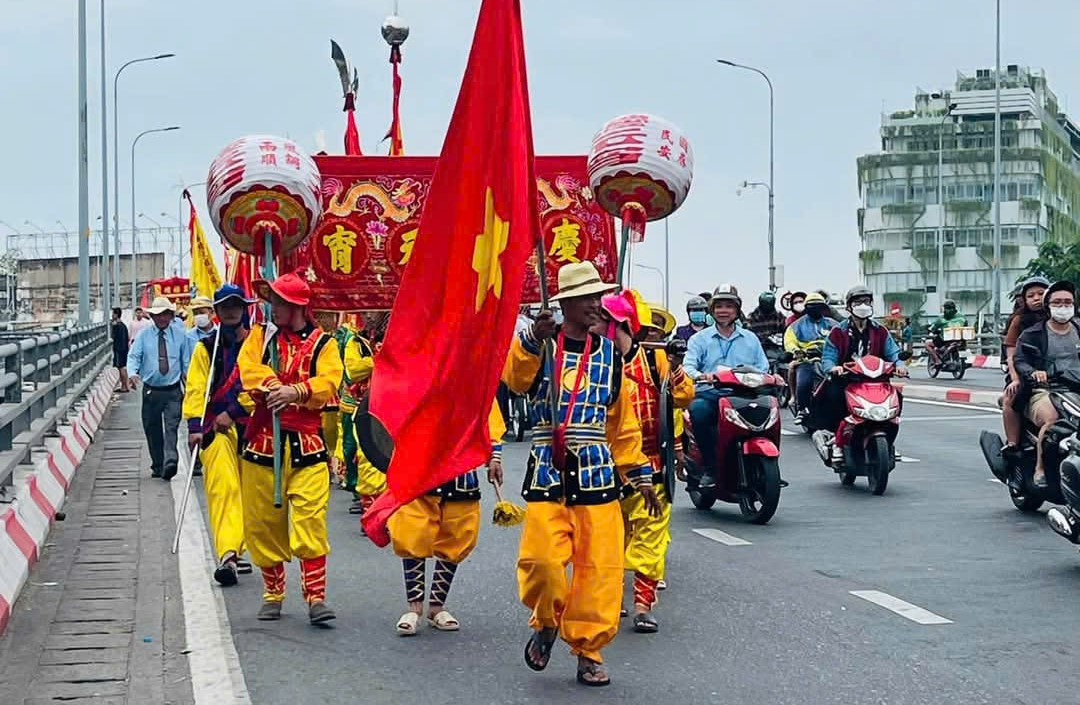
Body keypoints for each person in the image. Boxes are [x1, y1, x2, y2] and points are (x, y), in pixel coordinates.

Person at [502, 261, 657, 688]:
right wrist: (532, 339)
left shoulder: (609, 354)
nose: (595, 304)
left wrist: (639, 472)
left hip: (597, 476)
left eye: (597, 296)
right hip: (548, 475)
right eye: (587, 298)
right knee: (541, 563)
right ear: (566, 303)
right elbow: (514, 381)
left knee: (599, 571)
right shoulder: (539, 345)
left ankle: (588, 650)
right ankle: (546, 620)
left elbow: (621, 423)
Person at [237, 272, 343, 625]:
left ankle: (316, 597)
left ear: (298, 306)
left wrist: (296, 391)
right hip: (264, 445)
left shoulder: (324, 344)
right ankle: (273, 593)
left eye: (280, 302)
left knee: (310, 519)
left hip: (307, 447)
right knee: (264, 523)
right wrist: (271, 385)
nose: (274, 308)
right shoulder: (261, 336)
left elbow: (330, 381)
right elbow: (247, 368)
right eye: (272, 301)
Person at [596, 291, 693, 634]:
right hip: (606, 466)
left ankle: (642, 606)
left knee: (650, 538)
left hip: (651, 464)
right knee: (610, 538)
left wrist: (676, 368)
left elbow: (684, 397)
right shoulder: (594, 363)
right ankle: (612, 597)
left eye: (599, 322)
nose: (592, 328)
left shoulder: (655, 360)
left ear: (618, 325)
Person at [390, 402, 505, 636]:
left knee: (458, 533)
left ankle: (436, 607)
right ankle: (414, 608)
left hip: (461, 465)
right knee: (412, 529)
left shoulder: (474, 381)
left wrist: (494, 456)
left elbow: (488, 411)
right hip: (421, 460)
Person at [182, 284, 254, 586]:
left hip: (253, 427)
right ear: (218, 312)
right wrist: (194, 426)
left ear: (244, 308)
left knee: (250, 496)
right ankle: (228, 555)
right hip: (216, 429)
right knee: (223, 489)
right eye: (225, 306)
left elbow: (262, 386)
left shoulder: (258, 345)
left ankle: (238, 546)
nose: (231, 311)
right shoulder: (205, 348)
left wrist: (235, 411)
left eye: (236, 305)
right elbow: (196, 387)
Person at [684, 285, 769, 490]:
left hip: (745, 393)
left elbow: (763, 366)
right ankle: (710, 469)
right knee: (699, 411)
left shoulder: (750, 338)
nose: (724, 311)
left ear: (737, 310)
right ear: (712, 310)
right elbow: (688, 366)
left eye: (729, 306)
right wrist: (701, 376)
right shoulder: (699, 339)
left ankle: (763, 465)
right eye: (719, 306)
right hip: (710, 393)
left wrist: (769, 378)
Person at [810, 286, 908, 462]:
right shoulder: (838, 332)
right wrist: (833, 368)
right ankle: (837, 440)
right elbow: (828, 357)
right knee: (834, 396)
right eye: (857, 302)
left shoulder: (880, 331)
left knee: (896, 397)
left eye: (866, 301)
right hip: (847, 380)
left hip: (877, 380)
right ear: (849, 307)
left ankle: (889, 442)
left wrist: (900, 366)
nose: (863, 305)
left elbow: (893, 353)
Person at [1014, 280, 1080, 488]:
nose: (1063, 306)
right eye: (1057, 302)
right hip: (1045, 390)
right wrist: (1034, 372)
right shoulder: (1033, 333)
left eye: (1068, 302)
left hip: (1076, 388)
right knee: (1052, 420)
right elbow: (1020, 360)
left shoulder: (1079, 329)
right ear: (1048, 305)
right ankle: (1040, 468)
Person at [127, 296, 192, 480]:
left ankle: (171, 459)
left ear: (171, 316)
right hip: (151, 390)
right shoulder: (144, 336)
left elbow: (186, 361)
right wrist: (132, 373)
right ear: (153, 317)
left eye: (166, 314)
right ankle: (158, 464)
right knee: (152, 428)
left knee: (172, 426)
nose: (162, 318)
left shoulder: (180, 335)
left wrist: (189, 383)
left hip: (173, 390)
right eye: (159, 315)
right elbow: (134, 356)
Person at [1001, 277, 1049, 462]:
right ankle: (1013, 443)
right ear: (1024, 300)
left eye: (1041, 294)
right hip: (1024, 371)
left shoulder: (1064, 320)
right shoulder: (1020, 321)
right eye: (1031, 295)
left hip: (1058, 373)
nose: (1036, 298)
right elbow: (1011, 353)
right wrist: (1015, 378)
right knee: (1010, 398)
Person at [783, 292, 838, 422]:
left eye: (818, 306)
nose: (815, 309)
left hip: (830, 360)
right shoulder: (796, 325)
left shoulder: (833, 324)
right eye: (812, 306)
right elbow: (789, 342)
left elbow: (842, 339)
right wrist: (796, 351)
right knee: (804, 381)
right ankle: (802, 408)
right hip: (807, 360)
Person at [110, 307, 130, 393]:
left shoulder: (118, 326)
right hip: (124, 349)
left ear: (116, 314)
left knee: (121, 367)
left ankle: (124, 386)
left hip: (119, 349)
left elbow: (114, 337)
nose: (112, 315)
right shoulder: (123, 325)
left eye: (113, 314)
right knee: (122, 367)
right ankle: (125, 385)